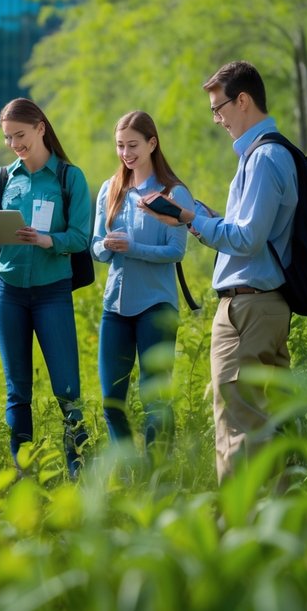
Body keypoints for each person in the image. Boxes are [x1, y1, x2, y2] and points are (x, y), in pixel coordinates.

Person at [146, 60, 298, 482]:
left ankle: (236, 528)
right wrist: (202, 216)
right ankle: (280, 521)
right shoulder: (260, 155)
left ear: (243, 101)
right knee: (263, 421)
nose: (217, 120)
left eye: (219, 109)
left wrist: (193, 220)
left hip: (250, 305)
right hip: (258, 303)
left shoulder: (265, 157)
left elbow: (247, 239)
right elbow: (248, 230)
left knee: (237, 422)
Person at [0, 98, 91, 478]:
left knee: (67, 388)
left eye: (20, 135)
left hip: (51, 292)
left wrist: (46, 241)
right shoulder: (2, 178)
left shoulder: (68, 178)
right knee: (17, 391)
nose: (14, 144)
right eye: (9, 137)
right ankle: (24, 472)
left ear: (41, 127)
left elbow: (80, 237)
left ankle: (78, 471)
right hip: (7, 292)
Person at [92, 111, 192, 450]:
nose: (126, 153)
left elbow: (175, 251)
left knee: (155, 398)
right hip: (115, 306)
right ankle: (124, 470)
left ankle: (157, 475)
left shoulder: (174, 193)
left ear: (152, 143)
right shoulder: (110, 189)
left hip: (156, 306)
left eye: (132, 145)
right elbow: (95, 246)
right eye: (120, 145)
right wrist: (105, 246)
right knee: (111, 400)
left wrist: (132, 248)